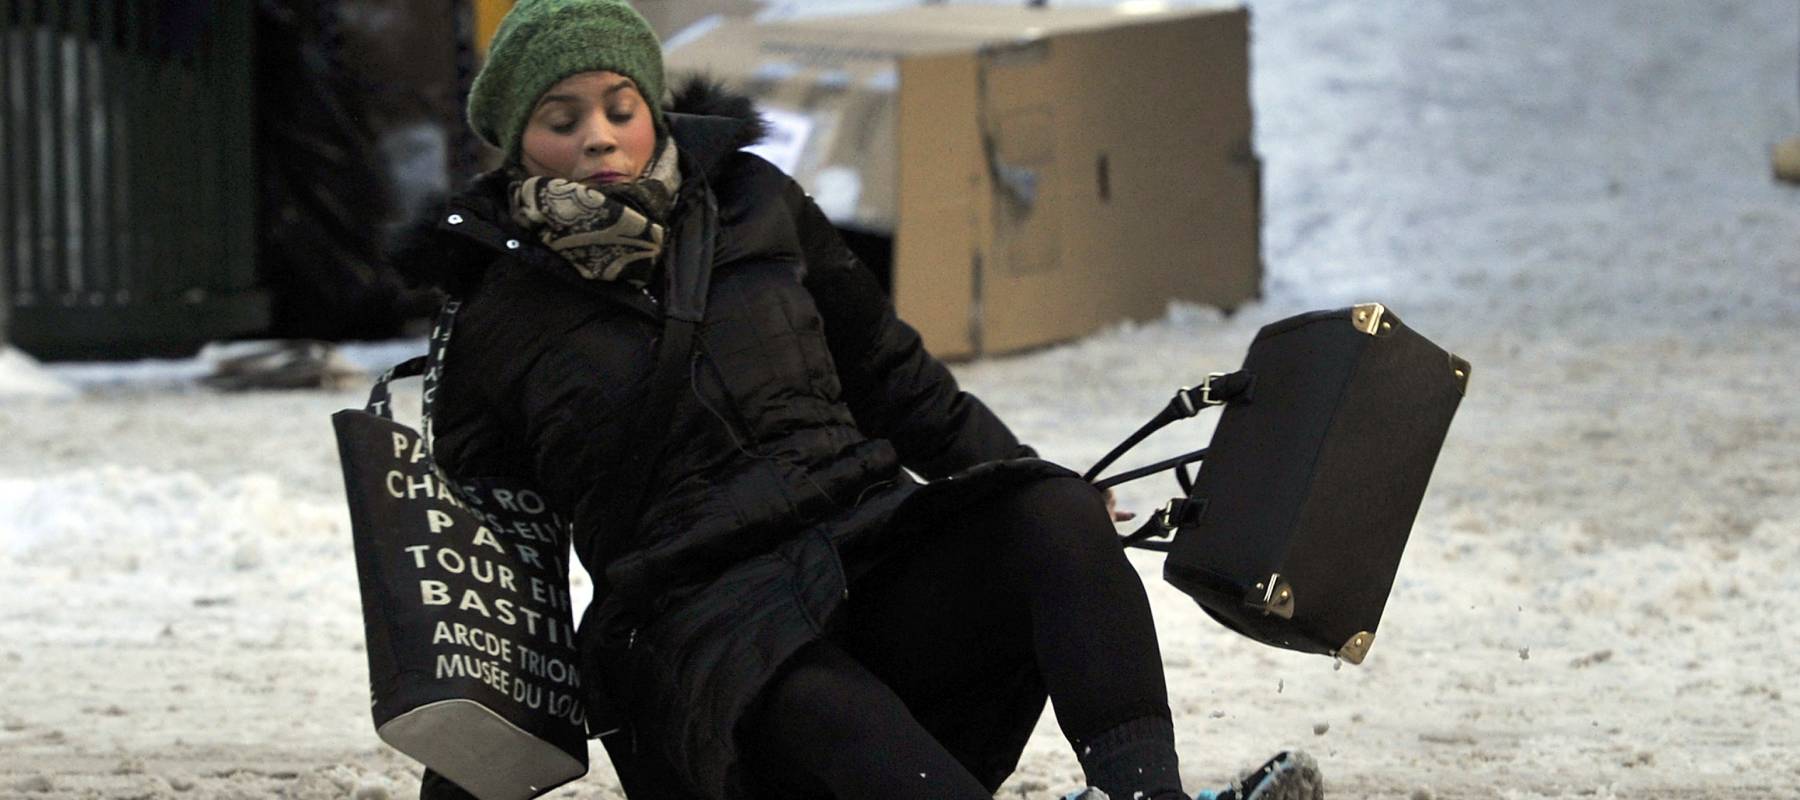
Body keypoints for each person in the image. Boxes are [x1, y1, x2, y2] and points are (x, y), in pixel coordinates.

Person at [393, 1, 1322, 798]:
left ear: (652, 108)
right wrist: (468, 761)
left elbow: (894, 379)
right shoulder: (491, 320)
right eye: (561, 117)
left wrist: (1046, 492)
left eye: (617, 105)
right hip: (693, 632)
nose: (597, 134)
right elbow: (489, 566)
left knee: (1049, 512)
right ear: (517, 146)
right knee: (807, 689)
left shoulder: (754, 201)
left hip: (864, 550)